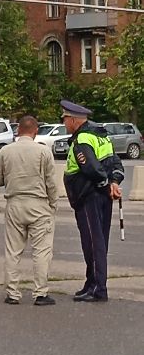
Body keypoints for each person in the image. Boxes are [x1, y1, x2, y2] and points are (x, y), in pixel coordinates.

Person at [0, 114, 58, 306]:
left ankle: (12, 293)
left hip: (14, 203)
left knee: (13, 250)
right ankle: (40, 292)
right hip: (38, 204)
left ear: (18, 130)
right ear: (36, 131)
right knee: (41, 251)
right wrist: (52, 204)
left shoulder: (5, 151)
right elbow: (51, 182)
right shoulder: (43, 152)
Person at [60, 99, 124, 302]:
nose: (64, 124)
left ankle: (97, 288)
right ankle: (91, 283)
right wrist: (114, 182)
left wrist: (106, 184)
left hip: (89, 196)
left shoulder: (83, 139)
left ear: (73, 120)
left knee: (93, 243)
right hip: (102, 195)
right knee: (99, 241)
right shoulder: (101, 135)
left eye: (65, 120)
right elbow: (115, 162)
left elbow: (90, 168)